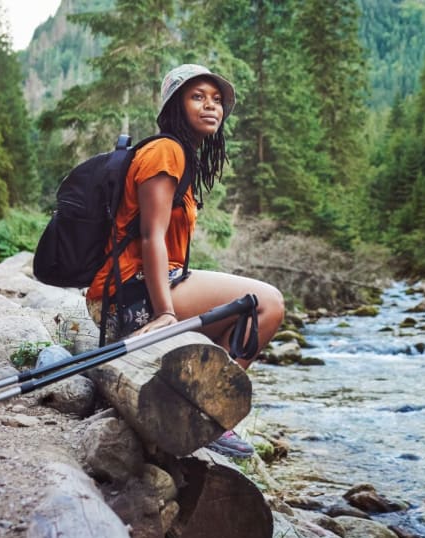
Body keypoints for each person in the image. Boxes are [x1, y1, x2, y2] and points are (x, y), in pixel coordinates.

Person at [85, 64, 285, 457]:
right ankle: (210, 410)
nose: (211, 106)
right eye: (198, 97)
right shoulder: (166, 150)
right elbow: (150, 236)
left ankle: (195, 406)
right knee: (268, 304)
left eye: (217, 100)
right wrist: (164, 314)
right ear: (175, 106)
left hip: (137, 290)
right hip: (132, 298)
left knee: (252, 305)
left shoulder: (181, 155)